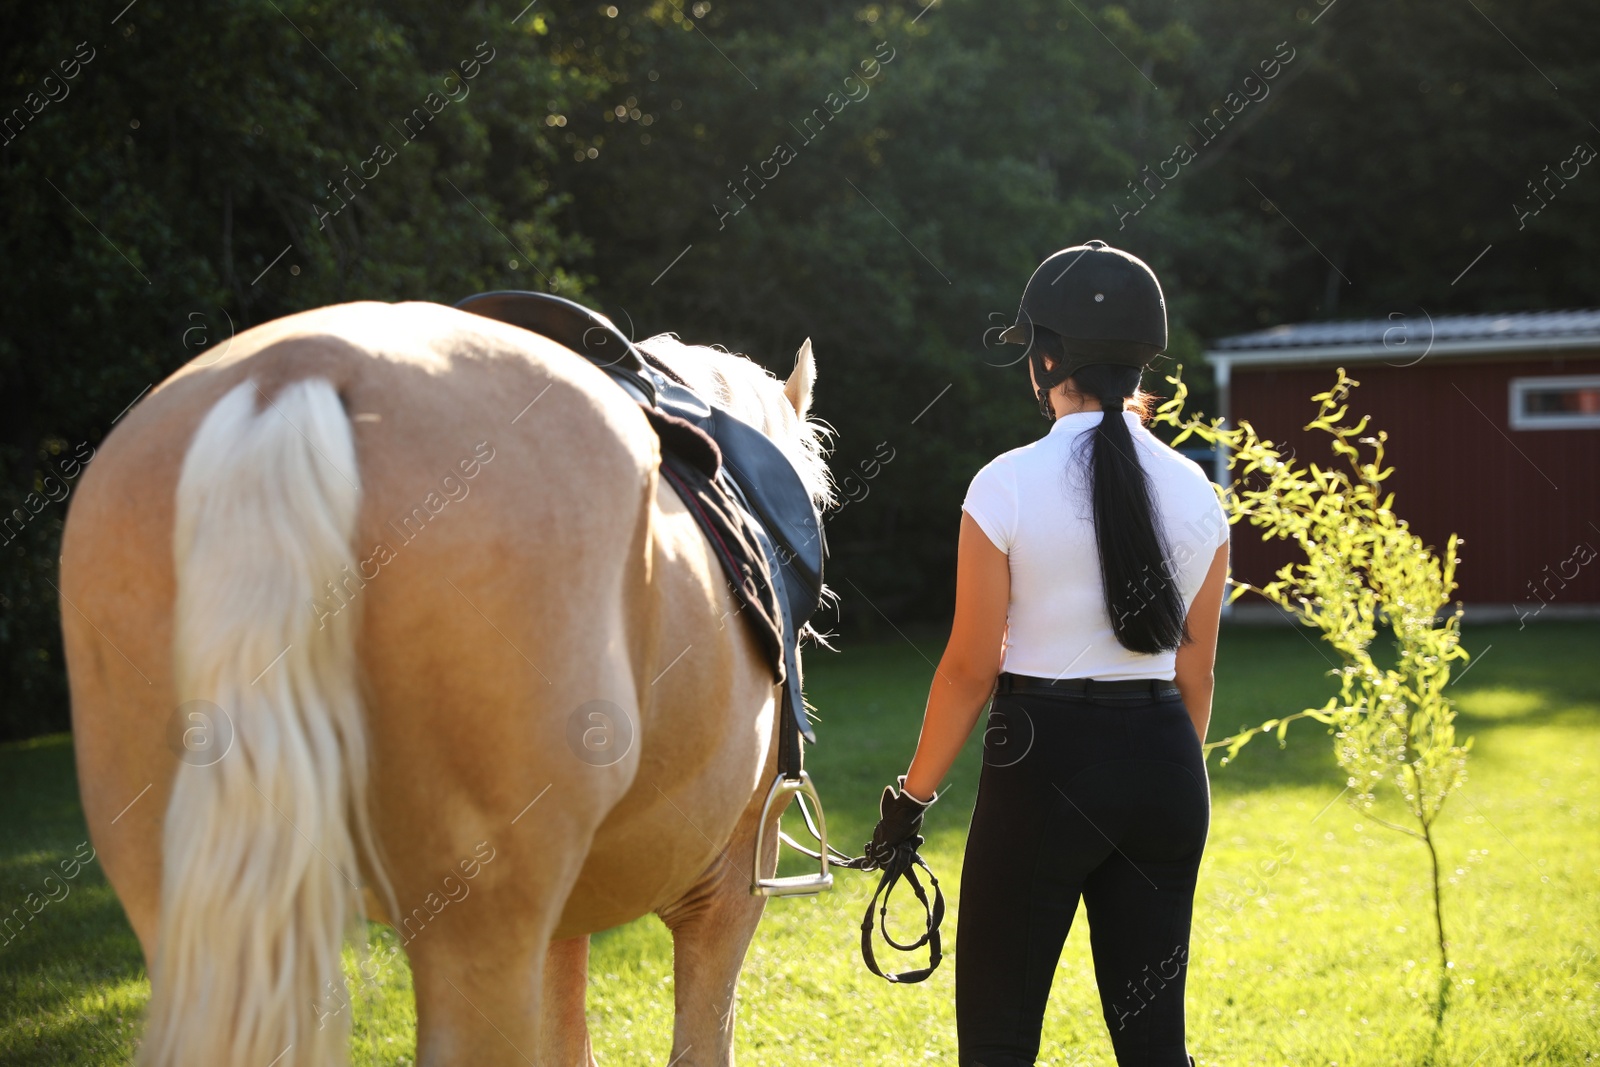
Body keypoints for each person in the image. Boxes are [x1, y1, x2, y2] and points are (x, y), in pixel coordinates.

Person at [866, 240, 1230, 1067]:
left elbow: (969, 666)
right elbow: (1195, 669)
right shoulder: (1199, 490)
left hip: (1043, 763)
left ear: (1046, 360)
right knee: (1154, 1047)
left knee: (997, 1042)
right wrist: (1161, 773)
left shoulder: (1005, 483)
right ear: (1144, 362)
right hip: (1169, 764)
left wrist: (909, 801)